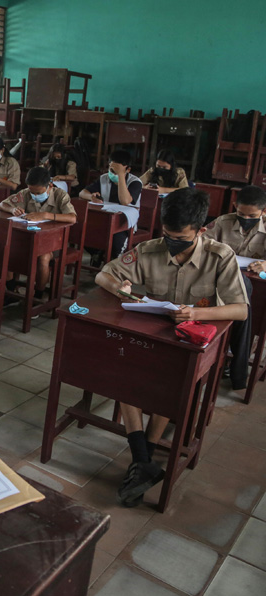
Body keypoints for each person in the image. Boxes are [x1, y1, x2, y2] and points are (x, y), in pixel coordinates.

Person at [95, 189, 248, 507]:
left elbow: (240, 310)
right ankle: (143, 461)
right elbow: (104, 274)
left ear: (201, 230)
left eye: (180, 238)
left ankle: (143, 458)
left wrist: (195, 313)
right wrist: (122, 289)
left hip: (192, 341)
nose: (172, 243)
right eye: (167, 235)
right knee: (123, 370)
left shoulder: (220, 257)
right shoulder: (149, 249)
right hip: (151, 332)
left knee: (171, 380)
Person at [202, 184, 265, 393]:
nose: (246, 218)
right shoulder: (223, 221)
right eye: (241, 213)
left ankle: (233, 356)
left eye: (252, 215)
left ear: (264, 211)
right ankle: (236, 365)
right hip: (221, 282)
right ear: (235, 206)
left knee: (245, 296)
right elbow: (202, 244)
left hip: (255, 284)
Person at [0, 167, 77, 303]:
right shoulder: (26, 193)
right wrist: (13, 209)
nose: (34, 195)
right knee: (6, 248)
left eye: (38, 192)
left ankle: (38, 295)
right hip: (29, 239)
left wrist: (46, 215)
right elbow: (1, 205)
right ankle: (11, 290)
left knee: (43, 257)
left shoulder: (60, 195)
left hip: (54, 243)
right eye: (31, 191)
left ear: (49, 186)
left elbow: (72, 218)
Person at [79, 149, 142, 264]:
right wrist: (91, 197)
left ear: (128, 170)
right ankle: (97, 253)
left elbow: (125, 201)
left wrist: (121, 176)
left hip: (124, 224)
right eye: (111, 170)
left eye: (117, 171)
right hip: (104, 220)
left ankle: (112, 267)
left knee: (116, 244)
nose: (113, 174)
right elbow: (82, 193)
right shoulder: (104, 178)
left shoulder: (135, 182)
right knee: (82, 231)